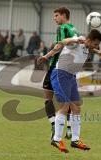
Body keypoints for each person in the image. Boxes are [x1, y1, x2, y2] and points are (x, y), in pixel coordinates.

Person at [38, 29, 101, 153]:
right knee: (64, 107)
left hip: (71, 76)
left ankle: (75, 140)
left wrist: (98, 51)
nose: (96, 46)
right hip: (60, 74)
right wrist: (75, 39)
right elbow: (63, 42)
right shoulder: (77, 41)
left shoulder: (87, 46)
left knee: (76, 107)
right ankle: (57, 139)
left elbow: (88, 48)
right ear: (89, 40)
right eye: (96, 44)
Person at [41, 7, 79, 141]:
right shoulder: (74, 29)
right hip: (69, 68)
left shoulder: (62, 28)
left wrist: (47, 55)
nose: (54, 18)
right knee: (67, 100)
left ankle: (53, 125)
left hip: (56, 67)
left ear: (63, 15)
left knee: (47, 97)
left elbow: (60, 46)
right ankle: (69, 127)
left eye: (56, 15)